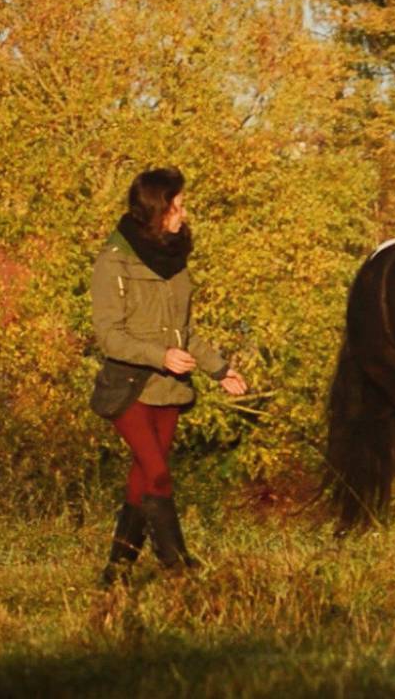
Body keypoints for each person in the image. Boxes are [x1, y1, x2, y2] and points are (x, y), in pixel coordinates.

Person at [91, 167, 246, 585]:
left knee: (143, 477)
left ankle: (117, 571)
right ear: (156, 210)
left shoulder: (175, 260)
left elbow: (186, 332)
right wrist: (160, 356)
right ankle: (177, 565)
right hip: (129, 387)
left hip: (169, 389)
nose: (183, 213)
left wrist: (220, 369)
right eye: (176, 206)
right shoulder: (113, 261)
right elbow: (109, 336)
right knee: (157, 472)